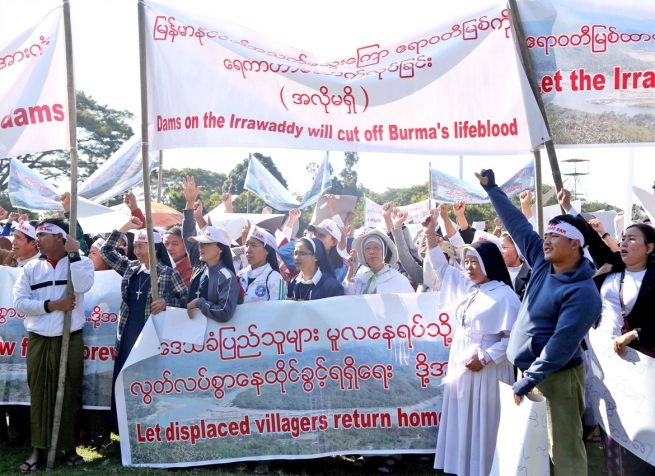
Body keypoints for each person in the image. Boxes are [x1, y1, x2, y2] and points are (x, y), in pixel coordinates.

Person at [478, 169, 602, 476]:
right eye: (545, 235)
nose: (545, 240)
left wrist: (528, 378)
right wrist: (492, 189)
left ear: (575, 245)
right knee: (531, 450)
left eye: (554, 236)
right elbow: (517, 223)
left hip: (557, 378)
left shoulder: (584, 292)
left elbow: (560, 346)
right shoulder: (542, 260)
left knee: (564, 450)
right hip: (531, 372)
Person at [561, 191, 655, 475]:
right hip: (605, 359)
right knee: (610, 420)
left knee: (642, 424)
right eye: (623, 238)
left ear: (650, 248)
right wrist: (569, 207)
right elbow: (591, 238)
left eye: (632, 239)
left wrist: (635, 334)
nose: (624, 243)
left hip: (643, 362)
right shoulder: (612, 267)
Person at [423, 208, 520, 476]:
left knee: (485, 420)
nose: (469, 267)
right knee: (463, 416)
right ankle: (463, 466)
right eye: (466, 262)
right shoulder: (470, 289)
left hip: (488, 369)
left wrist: (486, 357)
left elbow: (514, 339)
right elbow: (440, 267)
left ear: (489, 262)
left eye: (474, 261)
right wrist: (431, 233)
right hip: (462, 361)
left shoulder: (505, 296)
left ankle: (486, 468)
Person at [13, 218, 95, 470]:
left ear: (60, 237)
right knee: (39, 392)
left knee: (68, 391)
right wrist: (51, 306)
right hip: (39, 339)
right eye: (36, 235)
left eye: (42, 235)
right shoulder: (31, 269)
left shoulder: (82, 262)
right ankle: (38, 449)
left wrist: (74, 254)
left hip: (69, 337)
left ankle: (69, 448)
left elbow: (83, 286)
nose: (37, 239)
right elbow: (20, 303)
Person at [100, 217, 187, 429]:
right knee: (125, 381)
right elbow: (106, 252)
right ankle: (123, 428)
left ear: (155, 248)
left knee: (146, 381)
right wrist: (124, 227)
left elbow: (185, 301)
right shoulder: (131, 269)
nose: (137, 252)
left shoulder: (168, 274)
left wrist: (167, 302)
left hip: (150, 337)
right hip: (128, 334)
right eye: (135, 246)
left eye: (141, 246)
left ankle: (148, 427)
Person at [181, 176, 240, 322]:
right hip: (192, 335)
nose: (200, 247)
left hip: (215, 340)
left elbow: (224, 312)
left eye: (206, 243)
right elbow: (188, 233)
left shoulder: (227, 277)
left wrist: (200, 303)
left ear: (220, 248)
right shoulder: (199, 264)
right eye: (200, 243)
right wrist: (189, 203)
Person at [344, 229, 414, 294]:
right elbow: (348, 299)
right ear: (363, 254)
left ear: (384, 252)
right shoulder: (360, 278)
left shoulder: (399, 280)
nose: (371, 252)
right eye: (367, 248)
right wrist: (351, 272)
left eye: (376, 247)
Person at [238, 225, 286, 302]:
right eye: (247, 245)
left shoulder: (275, 279)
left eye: (253, 245)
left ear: (267, 250)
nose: (248, 250)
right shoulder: (240, 276)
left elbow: (278, 310)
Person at [308, 218, 349, 282]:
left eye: (322, 235)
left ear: (334, 242)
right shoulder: (306, 258)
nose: (315, 238)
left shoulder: (343, 266)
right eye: (315, 234)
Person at [500, 232, 531, 299]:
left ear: (518, 248)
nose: (500, 252)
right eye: (499, 248)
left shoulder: (530, 276)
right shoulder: (497, 275)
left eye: (504, 247)